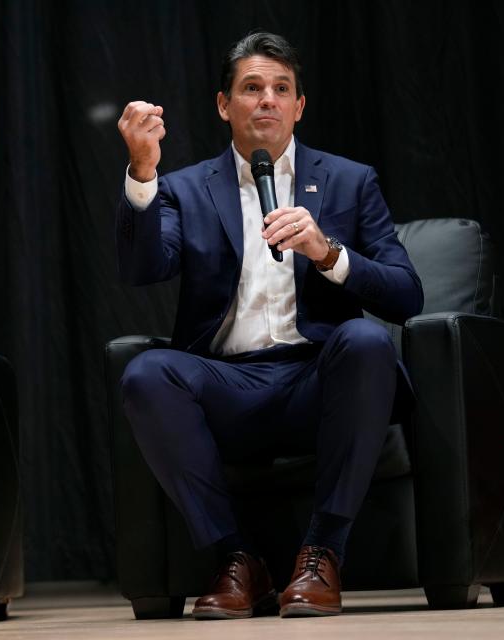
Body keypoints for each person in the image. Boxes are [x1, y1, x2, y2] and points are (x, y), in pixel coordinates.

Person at [115, 32, 423, 619]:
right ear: (223, 105)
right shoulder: (184, 187)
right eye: (251, 88)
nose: (267, 101)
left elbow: (406, 294)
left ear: (299, 106)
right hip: (226, 386)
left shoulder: (349, 181)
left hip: (318, 382)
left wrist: (328, 252)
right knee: (147, 373)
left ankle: (322, 554)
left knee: (364, 339)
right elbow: (141, 269)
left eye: (281, 89)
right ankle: (236, 559)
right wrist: (142, 171)